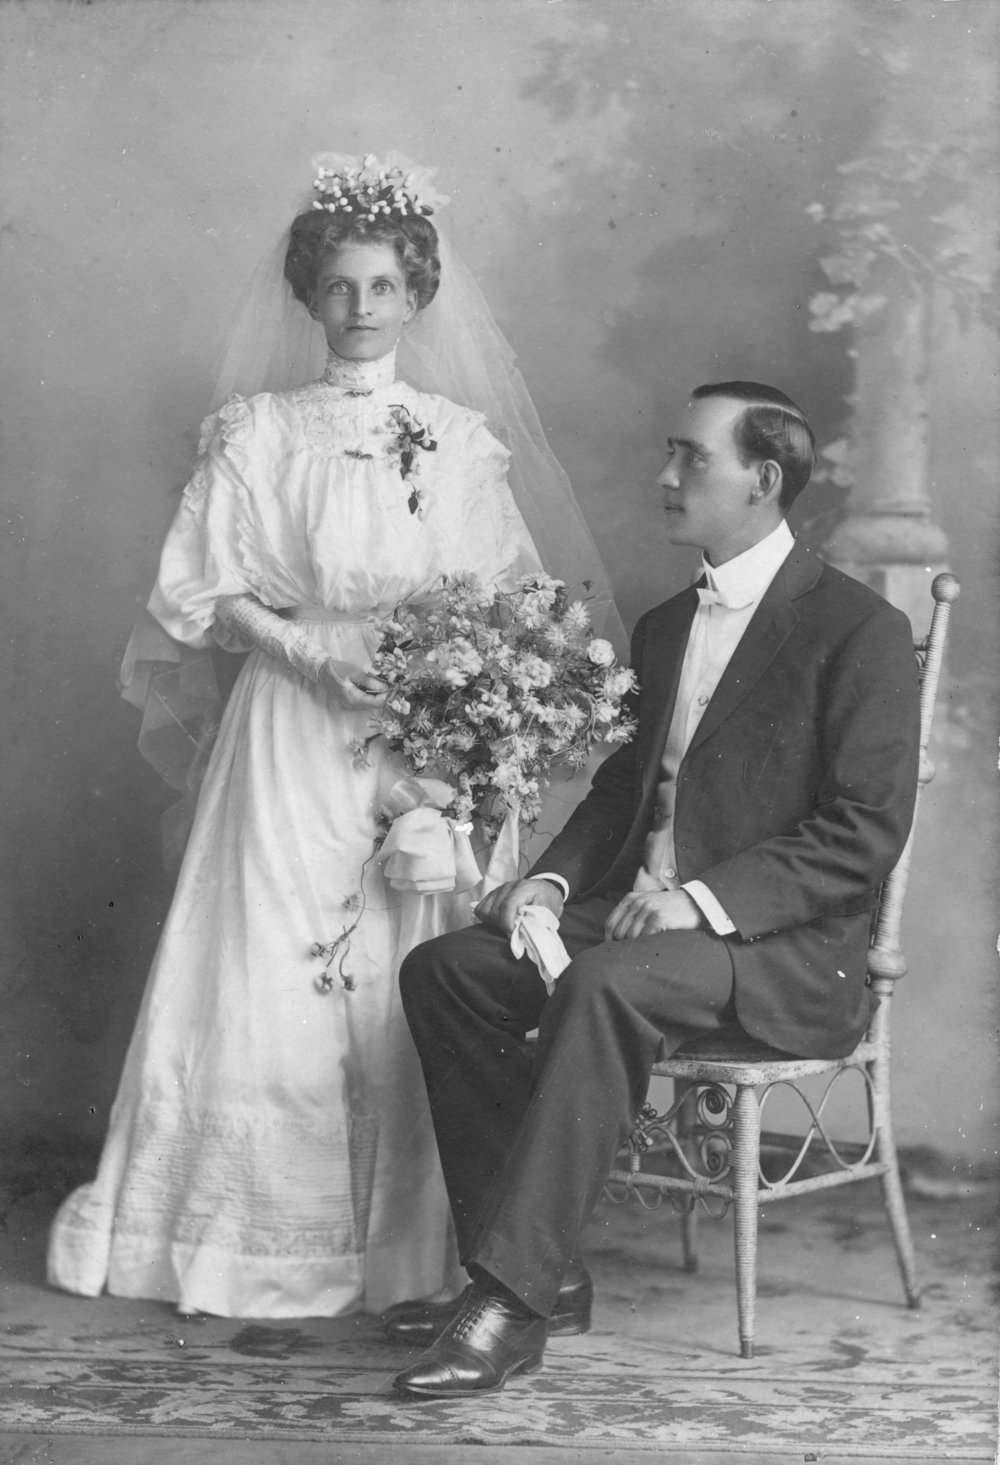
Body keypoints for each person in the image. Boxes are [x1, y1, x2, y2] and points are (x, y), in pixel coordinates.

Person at [47, 153, 620, 1319]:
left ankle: (406, 1249)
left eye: (383, 288)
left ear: (417, 298)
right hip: (288, 729)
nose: (361, 311)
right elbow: (203, 590)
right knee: (270, 961)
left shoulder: (458, 440)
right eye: (340, 288)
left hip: (416, 729)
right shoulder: (257, 431)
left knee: (391, 963)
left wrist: (453, 720)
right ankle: (254, 1245)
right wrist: (312, 650)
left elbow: (509, 601)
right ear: (309, 296)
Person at [388, 380, 922, 1397]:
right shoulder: (670, 623)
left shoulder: (858, 629)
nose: (664, 476)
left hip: (784, 949)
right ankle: (549, 1270)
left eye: (690, 457)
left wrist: (700, 900)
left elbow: (863, 832)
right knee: (449, 967)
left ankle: (508, 1299)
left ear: (763, 481)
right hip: (648, 929)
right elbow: (625, 790)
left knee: (606, 984)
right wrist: (546, 882)